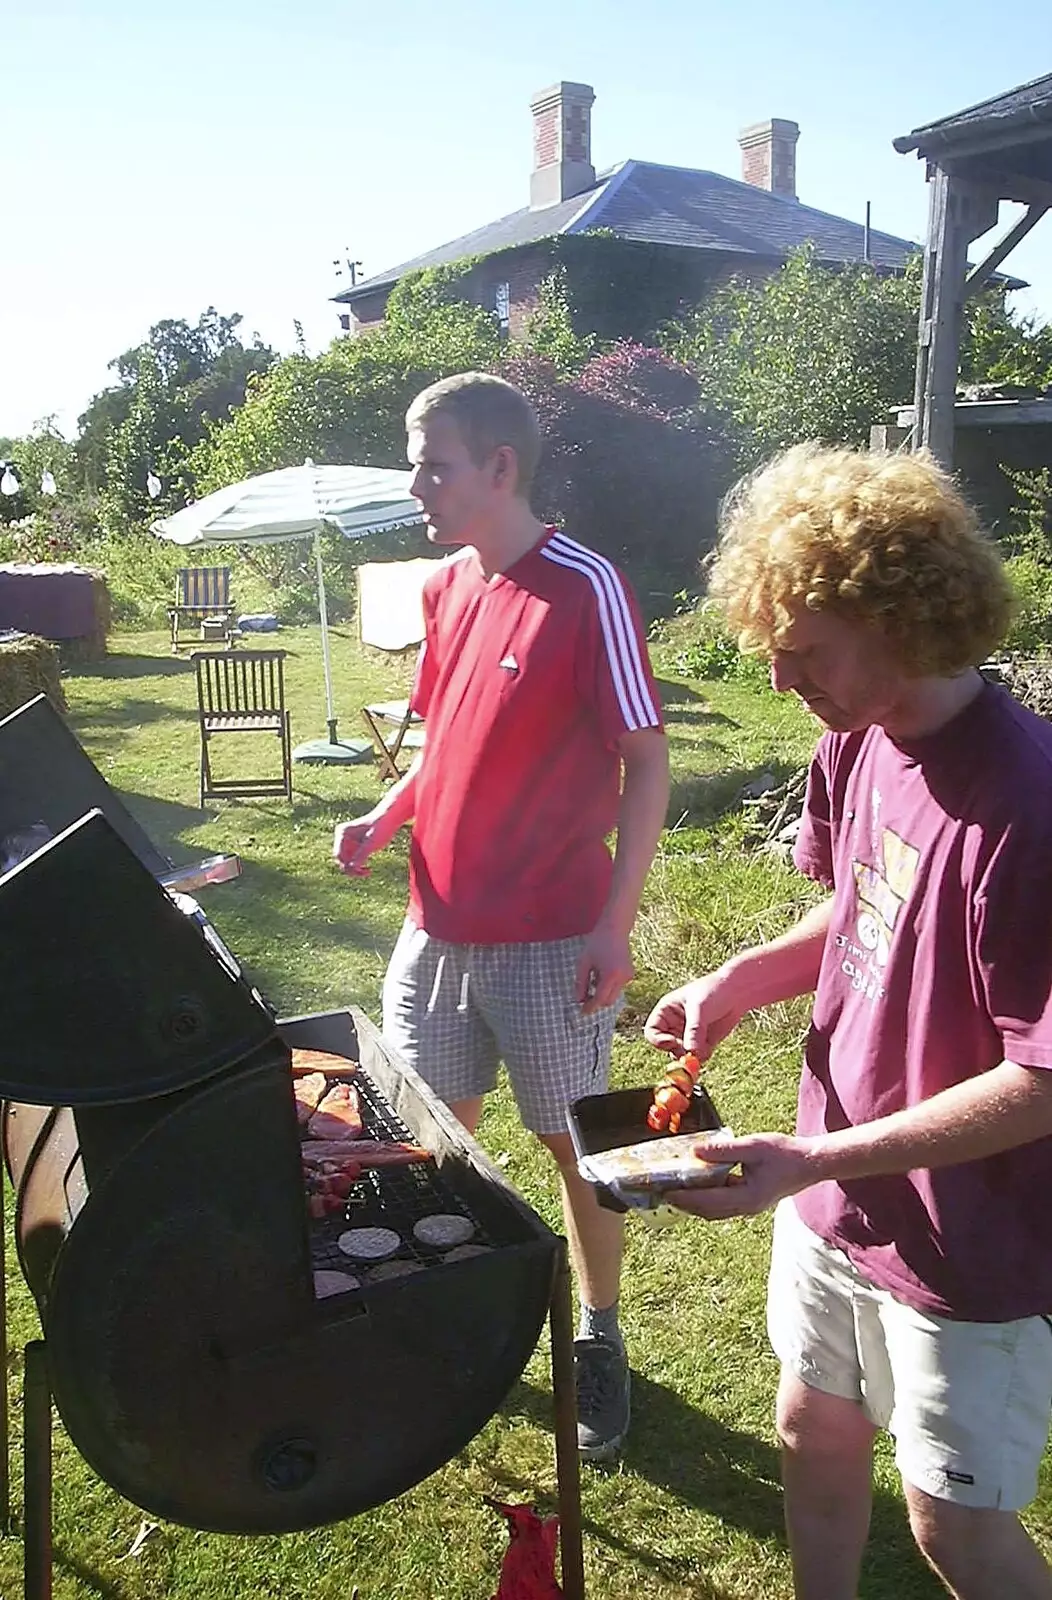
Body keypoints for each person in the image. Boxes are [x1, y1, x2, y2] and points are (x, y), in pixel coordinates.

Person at [645, 443, 1052, 1600]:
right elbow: (858, 903)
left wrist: (807, 1156)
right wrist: (732, 980)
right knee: (809, 1429)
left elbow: (1041, 1078)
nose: (779, 682)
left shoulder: (1025, 808)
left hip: (967, 1238)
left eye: (803, 653)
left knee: (952, 1528)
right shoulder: (854, 737)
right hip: (830, 1187)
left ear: (900, 617)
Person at [334, 372, 669, 1461]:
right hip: (434, 925)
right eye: (414, 460)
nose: (415, 482)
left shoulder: (585, 585)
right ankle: (440, 1316)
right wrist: (386, 816)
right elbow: (441, 740)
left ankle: (599, 1333)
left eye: (431, 462)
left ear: (499, 467)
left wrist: (616, 923)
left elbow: (646, 759)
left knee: (581, 1144)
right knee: (429, 1126)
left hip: (550, 935)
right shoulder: (445, 586)